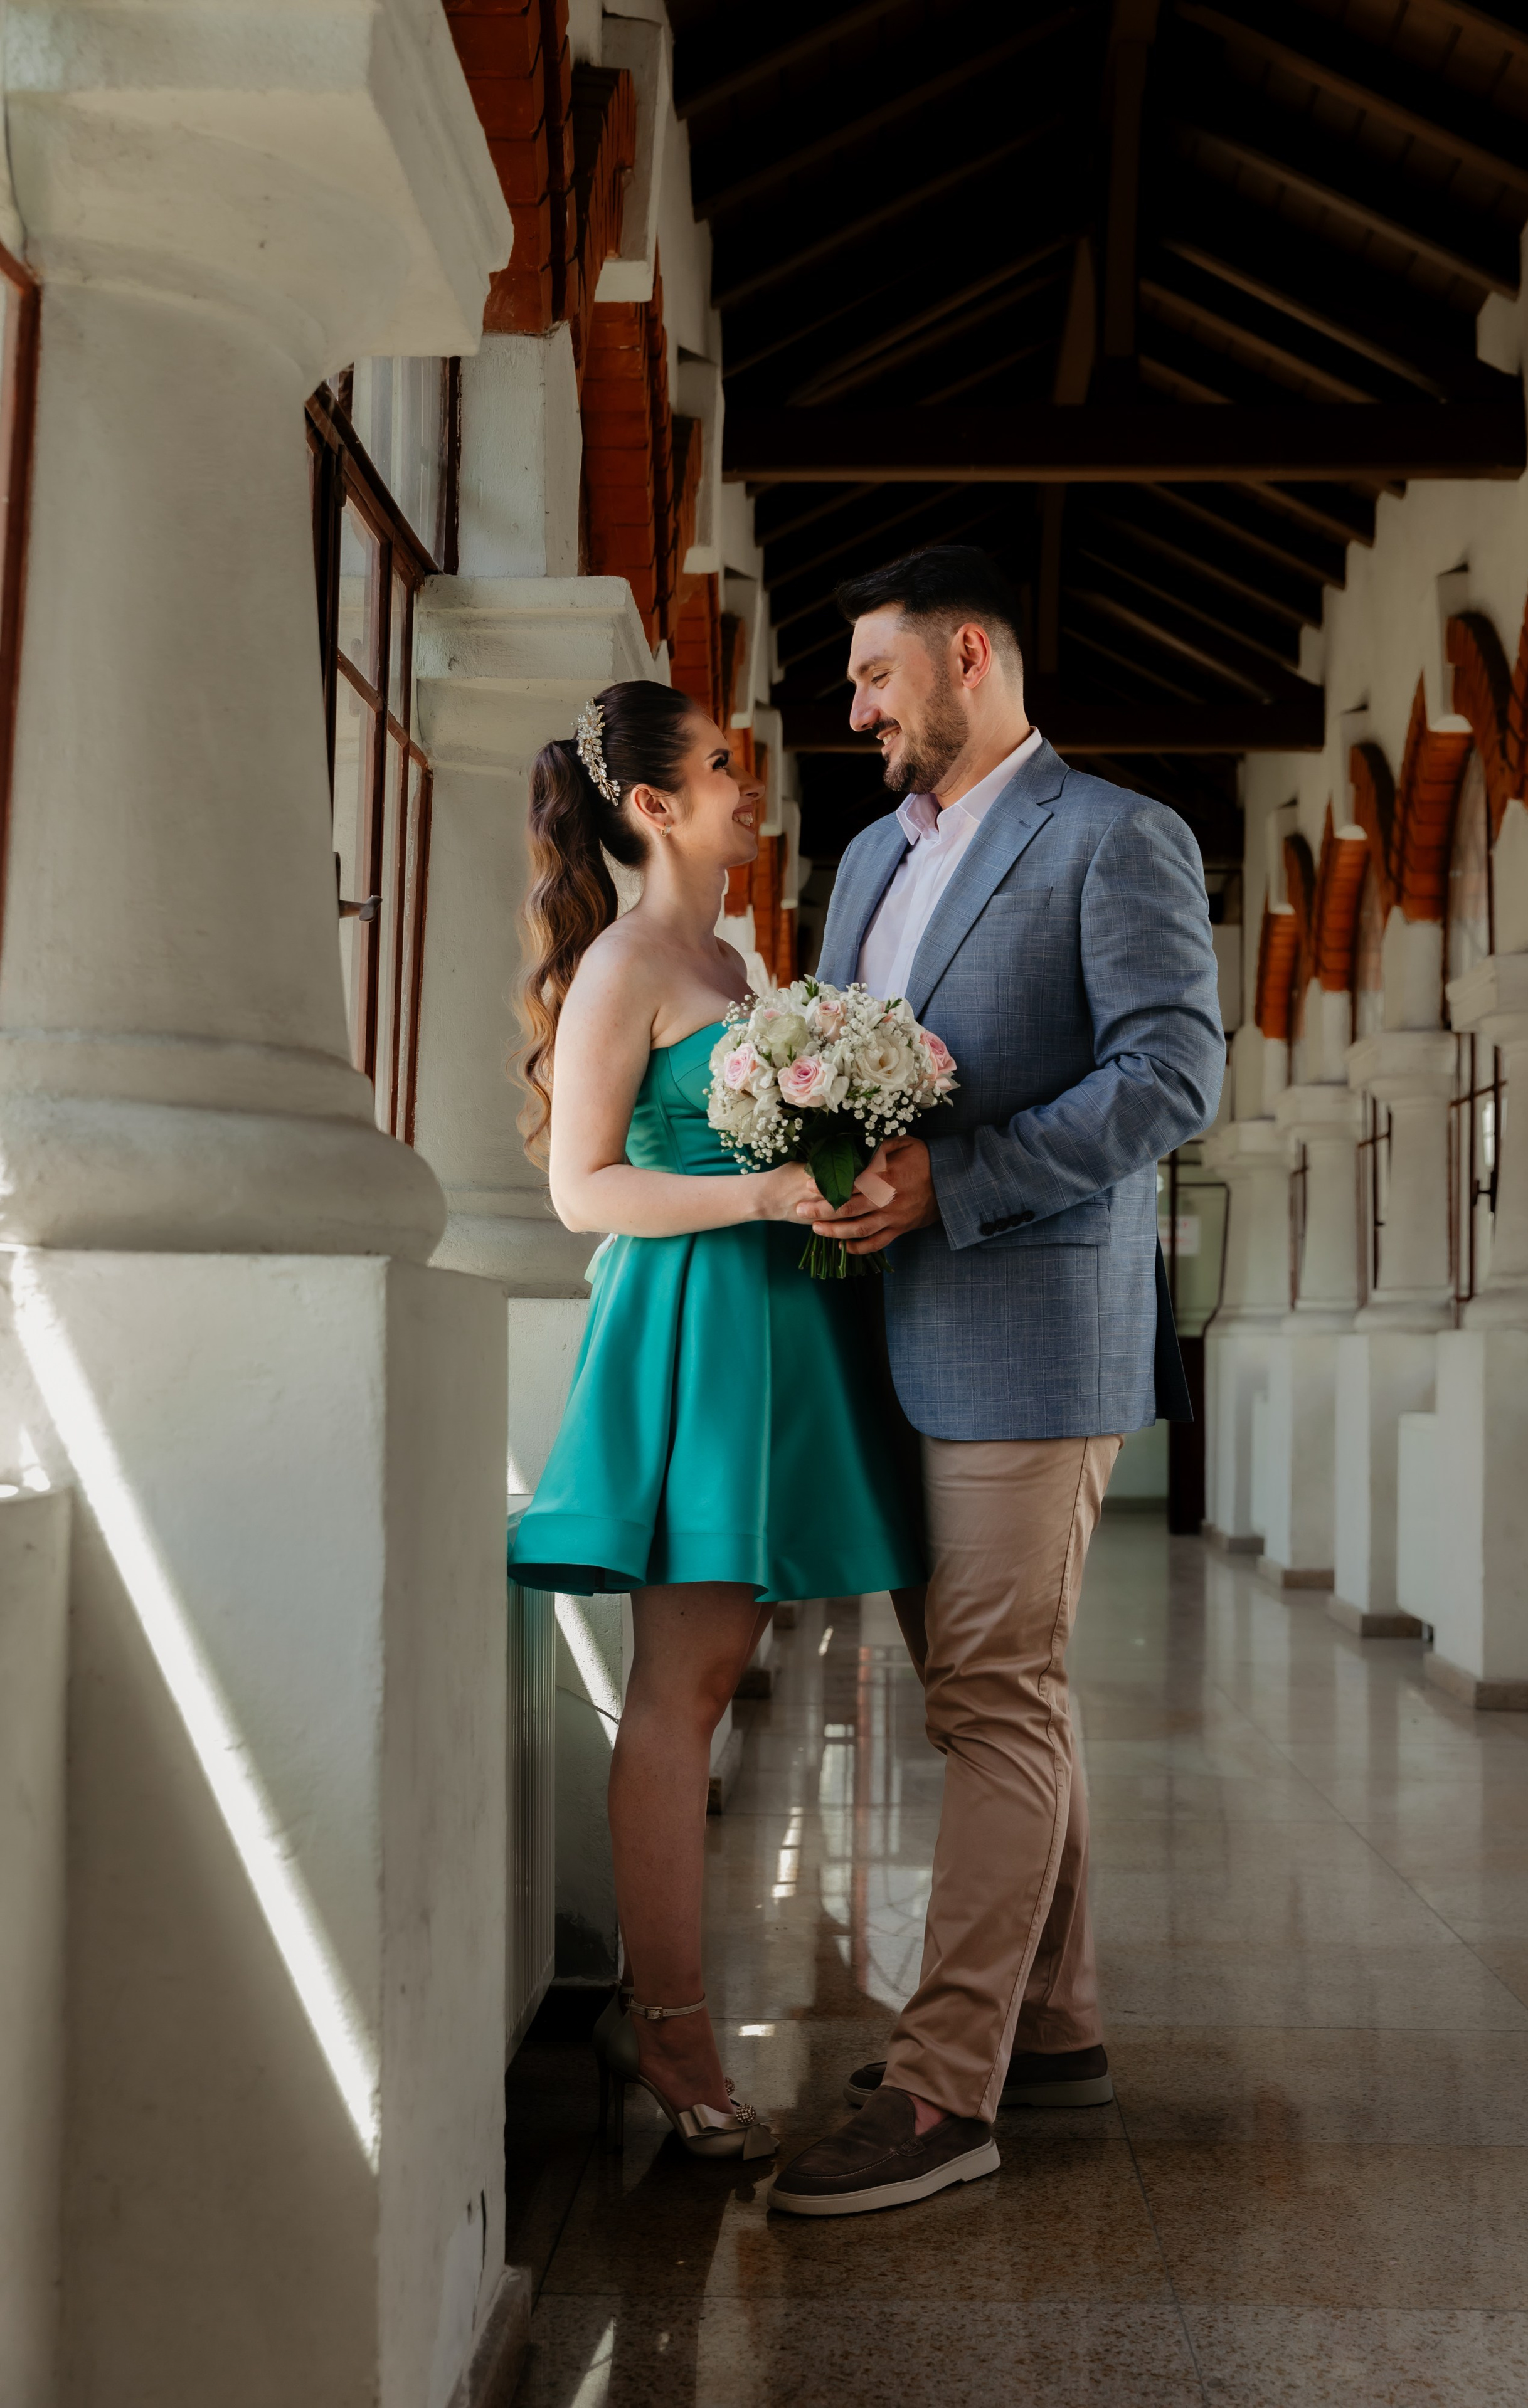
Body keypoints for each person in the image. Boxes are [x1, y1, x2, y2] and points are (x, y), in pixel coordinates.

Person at [767, 545, 1224, 2218]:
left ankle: (944, 2092)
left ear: (970, 657)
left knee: (989, 1693)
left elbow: (1172, 1075)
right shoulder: (868, 858)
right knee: (997, 1690)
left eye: (877, 676)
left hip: (1033, 1327)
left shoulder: (1115, 836)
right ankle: (1057, 2018)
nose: (858, 706)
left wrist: (953, 1185)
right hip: (881, 1326)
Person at [506, 680, 925, 2163]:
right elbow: (581, 1190)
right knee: (682, 1689)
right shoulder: (626, 964)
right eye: (727, 772)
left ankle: (662, 2015)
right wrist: (758, 1192)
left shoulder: (735, 959)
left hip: (776, 1329)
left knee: (713, 1667)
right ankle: (670, 2036)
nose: (752, 793)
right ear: (654, 806)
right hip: (689, 1336)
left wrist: (841, 1177)